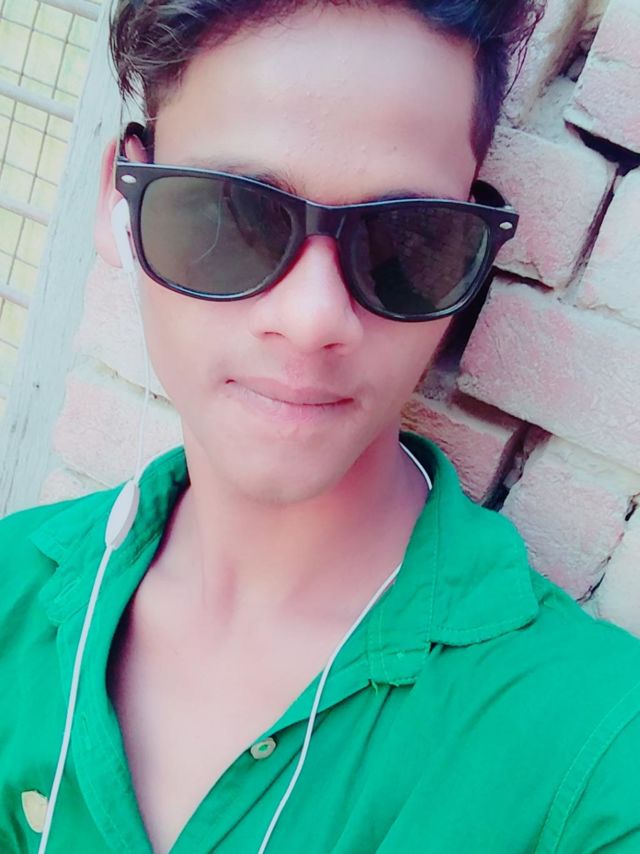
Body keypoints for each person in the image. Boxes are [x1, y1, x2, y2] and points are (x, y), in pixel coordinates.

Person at [1, 0, 640, 852]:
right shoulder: (12, 590)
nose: (312, 319)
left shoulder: (591, 752)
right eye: (233, 212)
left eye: (407, 238)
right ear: (119, 201)